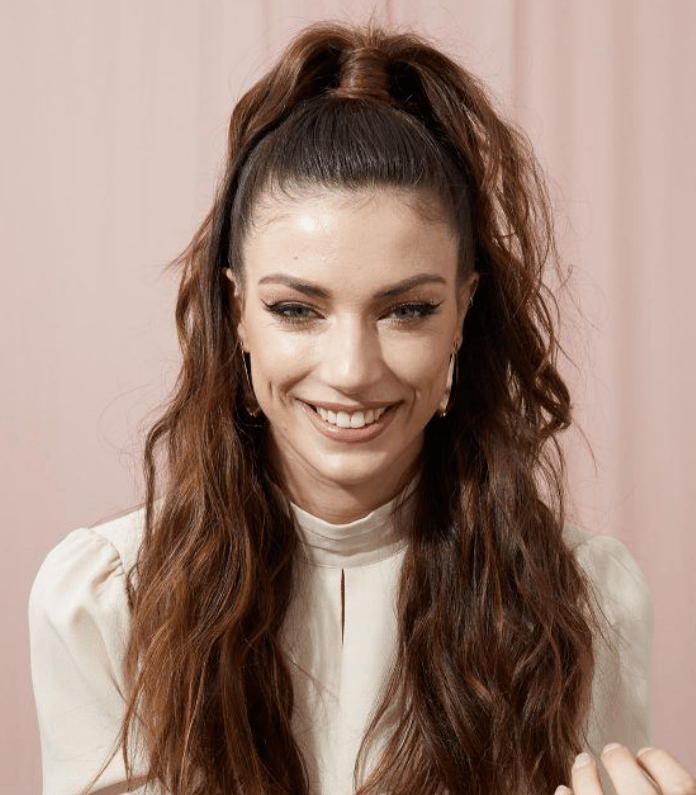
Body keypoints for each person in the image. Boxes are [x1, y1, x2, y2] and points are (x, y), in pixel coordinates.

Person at [29, 20, 695, 795]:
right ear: (237, 311)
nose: (351, 370)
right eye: (296, 309)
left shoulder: (586, 602)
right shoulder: (108, 603)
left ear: (462, 315)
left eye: (407, 310)